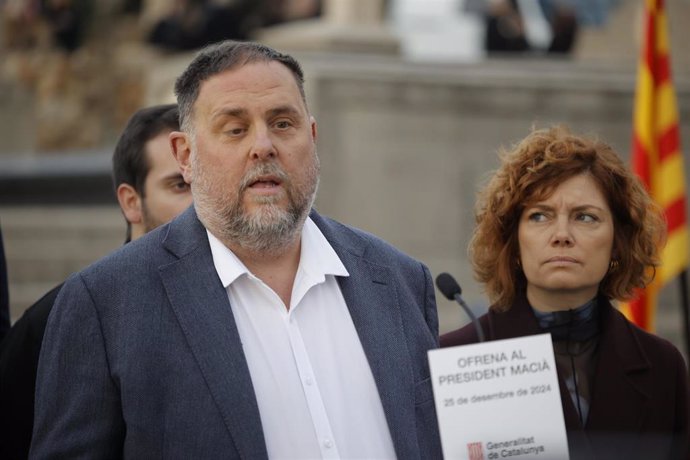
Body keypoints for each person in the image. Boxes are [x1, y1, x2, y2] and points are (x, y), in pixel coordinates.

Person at [30, 40, 441, 459]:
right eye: (235, 128)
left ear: (312, 137)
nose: (263, 146)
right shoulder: (107, 304)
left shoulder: (400, 281)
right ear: (185, 156)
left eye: (283, 123)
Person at [441, 126, 689, 459]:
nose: (561, 235)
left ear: (618, 243)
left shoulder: (662, 365)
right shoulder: (457, 359)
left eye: (585, 217)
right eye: (539, 216)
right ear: (513, 243)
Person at [0, 103, 192, 459]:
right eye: (180, 185)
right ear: (131, 202)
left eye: (204, 182)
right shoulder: (51, 322)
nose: (199, 204)